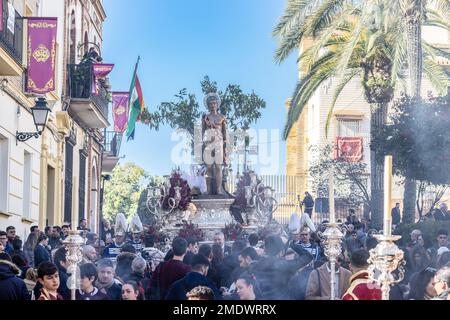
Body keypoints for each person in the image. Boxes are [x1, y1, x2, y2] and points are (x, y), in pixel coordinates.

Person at [251, 235, 313, 299]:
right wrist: (290, 243)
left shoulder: (256, 264)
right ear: (281, 251)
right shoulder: (284, 265)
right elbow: (308, 256)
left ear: (265, 249)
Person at [201, 92, 227, 195]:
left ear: (217, 104)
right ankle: (208, 190)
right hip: (208, 143)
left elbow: (225, 133)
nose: (212, 105)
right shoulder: (205, 118)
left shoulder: (222, 117)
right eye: (210, 103)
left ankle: (219, 190)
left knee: (219, 166)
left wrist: (226, 148)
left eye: (214, 103)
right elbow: (202, 132)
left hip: (219, 143)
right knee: (209, 167)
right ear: (207, 105)